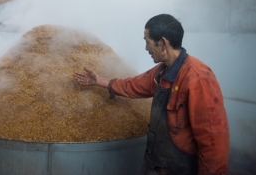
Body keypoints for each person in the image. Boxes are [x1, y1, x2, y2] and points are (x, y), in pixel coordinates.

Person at [73, 14, 229, 175]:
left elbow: (214, 142)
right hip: (158, 162)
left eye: (147, 42)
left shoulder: (198, 78)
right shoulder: (163, 71)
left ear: (162, 43)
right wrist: (102, 81)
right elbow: (135, 85)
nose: (146, 48)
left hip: (181, 167)